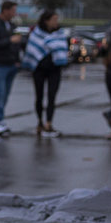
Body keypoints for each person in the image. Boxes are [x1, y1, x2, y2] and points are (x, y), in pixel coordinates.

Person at [20, 8, 70, 137]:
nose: (56, 22)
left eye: (57, 19)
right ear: (46, 21)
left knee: (52, 97)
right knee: (39, 97)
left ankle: (49, 123)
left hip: (55, 69)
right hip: (39, 69)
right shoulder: (36, 34)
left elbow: (63, 48)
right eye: (54, 19)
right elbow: (31, 50)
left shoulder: (59, 33)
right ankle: (39, 122)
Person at [0, 0, 23, 136]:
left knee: (5, 95)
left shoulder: (12, 26)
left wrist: (17, 60)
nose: (14, 14)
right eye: (13, 11)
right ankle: (0, 122)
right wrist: (9, 40)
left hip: (11, 65)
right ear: (5, 10)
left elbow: (16, 45)